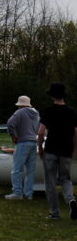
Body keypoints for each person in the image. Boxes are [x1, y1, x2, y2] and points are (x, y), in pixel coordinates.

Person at [37, 82, 77, 219]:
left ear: (52, 96)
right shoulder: (72, 112)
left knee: (50, 182)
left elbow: (41, 132)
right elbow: (75, 133)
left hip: (51, 149)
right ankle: (71, 200)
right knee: (65, 179)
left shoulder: (48, 111)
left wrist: (40, 148)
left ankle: (54, 212)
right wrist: (73, 149)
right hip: (66, 150)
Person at [4, 95, 39, 199]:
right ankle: (28, 194)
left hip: (23, 142)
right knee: (30, 170)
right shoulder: (36, 113)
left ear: (20, 105)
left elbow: (10, 123)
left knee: (16, 169)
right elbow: (38, 128)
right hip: (34, 143)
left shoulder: (20, 112)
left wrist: (14, 136)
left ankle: (17, 193)